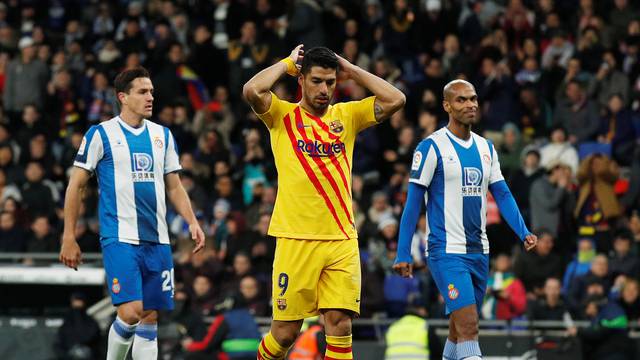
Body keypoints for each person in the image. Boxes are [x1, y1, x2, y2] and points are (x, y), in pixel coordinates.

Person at [243, 44, 405, 360]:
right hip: (295, 239)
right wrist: (287, 62)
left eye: (330, 82)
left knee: (340, 324)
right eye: (317, 80)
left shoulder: (348, 115)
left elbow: (396, 99)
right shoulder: (281, 115)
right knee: (285, 334)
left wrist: (352, 70)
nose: (325, 89)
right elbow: (252, 89)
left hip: (341, 238)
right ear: (301, 80)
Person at [59, 66, 205, 360]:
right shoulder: (101, 134)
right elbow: (76, 186)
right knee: (131, 312)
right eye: (143, 91)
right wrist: (68, 236)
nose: (151, 97)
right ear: (122, 97)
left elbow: (174, 186)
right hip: (120, 237)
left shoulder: (162, 135)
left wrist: (192, 221)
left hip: (158, 240)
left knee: (150, 317)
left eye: (151, 91)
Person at [393, 79, 537, 360]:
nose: (470, 104)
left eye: (473, 99)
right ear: (447, 106)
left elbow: (503, 195)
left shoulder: (486, 148)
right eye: (461, 100)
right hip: (446, 251)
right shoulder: (430, 147)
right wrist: (402, 253)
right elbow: (412, 205)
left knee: (458, 330)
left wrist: (523, 231)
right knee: (470, 326)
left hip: (479, 251)